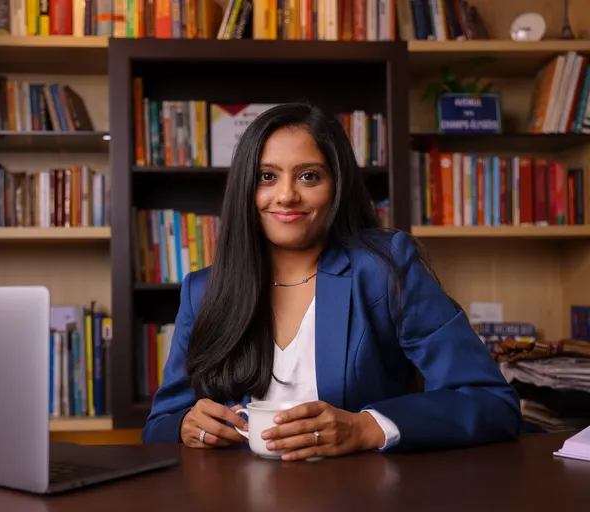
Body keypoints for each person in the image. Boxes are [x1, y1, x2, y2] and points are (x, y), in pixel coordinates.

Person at [141, 102, 522, 460]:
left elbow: (490, 401)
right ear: (245, 188)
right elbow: (160, 425)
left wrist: (365, 428)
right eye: (266, 177)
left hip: (358, 490)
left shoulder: (383, 268)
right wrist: (186, 426)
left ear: (337, 185)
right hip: (239, 492)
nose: (286, 195)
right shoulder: (203, 291)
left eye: (309, 176)